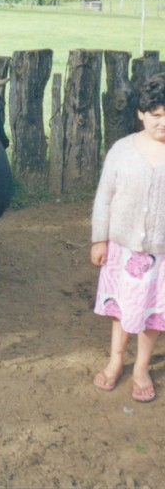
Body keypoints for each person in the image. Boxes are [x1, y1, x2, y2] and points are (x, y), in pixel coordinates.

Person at [91, 72, 165, 402]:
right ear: (141, 113)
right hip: (123, 251)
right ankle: (116, 359)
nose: (162, 123)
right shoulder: (122, 150)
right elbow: (104, 198)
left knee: (153, 313)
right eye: (156, 115)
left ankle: (142, 367)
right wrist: (99, 239)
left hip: (161, 254)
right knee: (122, 308)